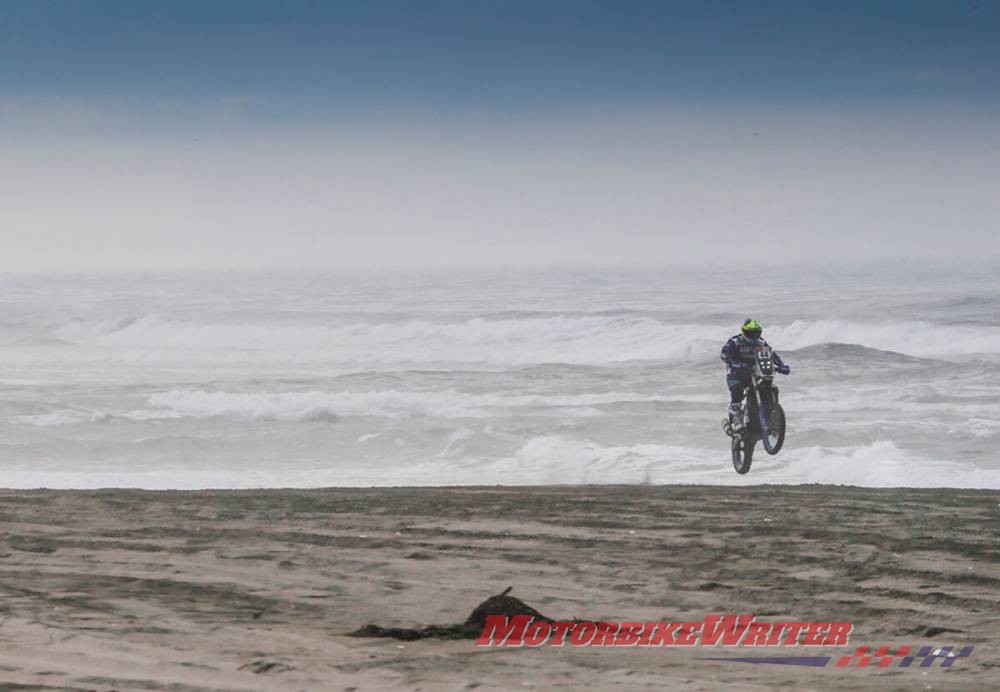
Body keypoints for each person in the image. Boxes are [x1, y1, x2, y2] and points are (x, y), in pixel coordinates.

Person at [720, 319, 790, 431]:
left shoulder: (761, 342)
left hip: (755, 372)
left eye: (756, 333)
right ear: (744, 331)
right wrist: (734, 362)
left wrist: (781, 365)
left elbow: (771, 354)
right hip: (737, 373)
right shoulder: (735, 341)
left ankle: (771, 413)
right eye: (751, 333)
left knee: (768, 387)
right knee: (736, 390)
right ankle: (736, 417)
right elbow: (724, 354)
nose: (754, 336)